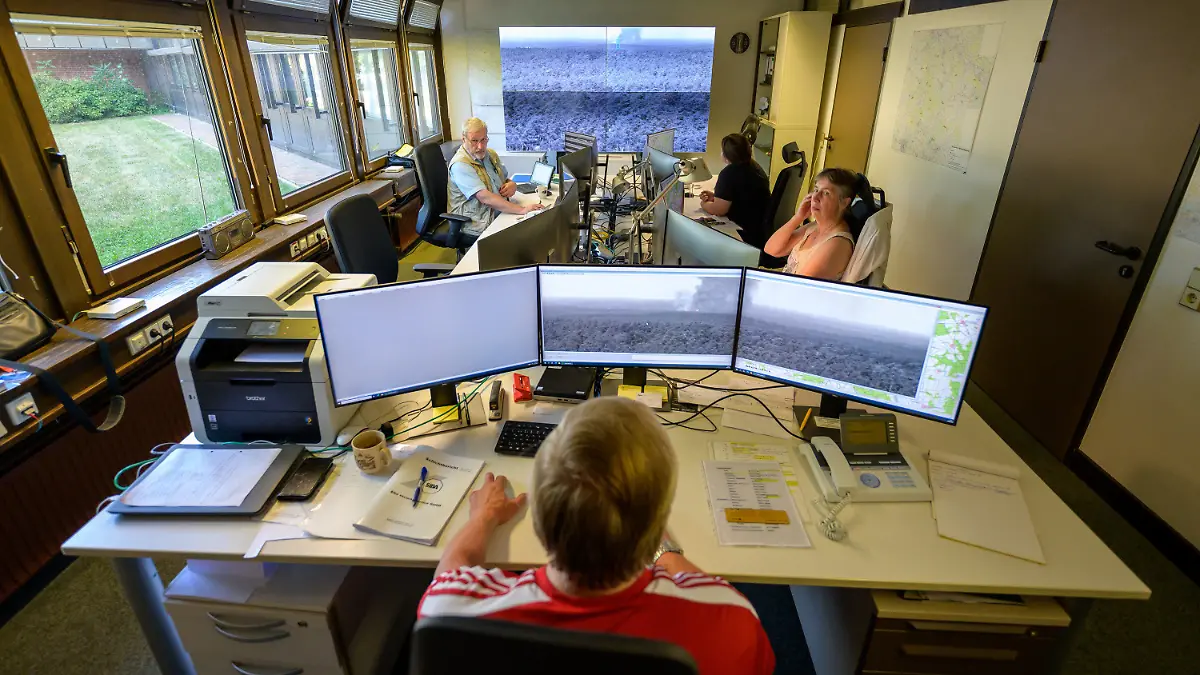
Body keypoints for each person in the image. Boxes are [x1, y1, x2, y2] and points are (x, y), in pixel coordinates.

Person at [418, 397, 775, 675]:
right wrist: (661, 546)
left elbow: (451, 570)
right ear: (655, 527)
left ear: (539, 524)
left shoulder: (450, 615)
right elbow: (699, 587)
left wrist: (484, 517)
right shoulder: (731, 622)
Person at [447, 117, 544, 235]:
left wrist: (512, 184)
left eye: (484, 139)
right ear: (464, 139)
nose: (480, 146)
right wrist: (522, 210)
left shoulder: (490, 154)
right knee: (525, 233)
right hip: (476, 221)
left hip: (497, 211)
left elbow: (504, 179)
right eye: (474, 141)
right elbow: (485, 198)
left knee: (537, 223)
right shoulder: (460, 165)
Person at [764, 167, 857, 280]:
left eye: (826, 193)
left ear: (844, 202)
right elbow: (771, 250)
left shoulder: (838, 243)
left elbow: (799, 286)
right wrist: (798, 217)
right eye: (816, 190)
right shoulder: (815, 226)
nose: (815, 197)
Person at [698, 133, 771, 251]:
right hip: (760, 228)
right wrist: (717, 196)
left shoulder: (729, 173)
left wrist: (704, 204)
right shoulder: (754, 166)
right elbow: (740, 195)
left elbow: (719, 210)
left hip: (746, 231)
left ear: (726, 156)